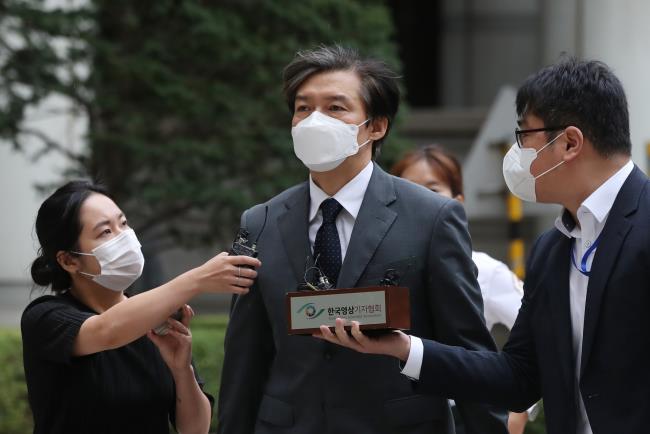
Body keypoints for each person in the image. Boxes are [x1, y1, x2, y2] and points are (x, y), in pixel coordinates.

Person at [316, 58, 649, 434]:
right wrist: (405, 348)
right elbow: (519, 377)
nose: (517, 152)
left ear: (569, 143)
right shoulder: (552, 249)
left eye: (524, 135)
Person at [217, 44, 507, 434]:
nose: (314, 121)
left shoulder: (432, 218)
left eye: (335, 108)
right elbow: (245, 359)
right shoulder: (260, 222)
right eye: (303, 108)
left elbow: (468, 352)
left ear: (376, 126)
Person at [22, 180, 261, 434]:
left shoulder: (155, 322)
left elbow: (195, 429)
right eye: (106, 232)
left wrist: (182, 370)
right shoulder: (45, 317)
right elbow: (106, 331)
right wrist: (198, 279)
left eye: (123, 223)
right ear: (69, 260)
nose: (124, 236)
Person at [391, 145, 536, 434]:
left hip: (464, 417)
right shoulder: (382, 268)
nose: (421, 201)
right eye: (409, 191)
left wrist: (520, 409)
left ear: (458, 201)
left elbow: (540, 337)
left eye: (433, 190)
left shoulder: (486, 269)